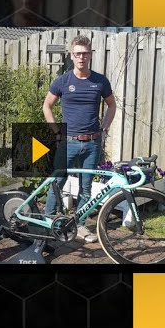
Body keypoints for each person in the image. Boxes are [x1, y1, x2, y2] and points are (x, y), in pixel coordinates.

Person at [42, 35, 117, 243]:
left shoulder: (100, 81)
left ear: (90, 55)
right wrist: (56, 131)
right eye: (77, 54)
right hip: (69, 142)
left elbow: (112, 105)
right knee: (57, 182)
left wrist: (104, 128)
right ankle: (49, 222)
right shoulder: (63, 81)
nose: (81, 57)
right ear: (72, 56)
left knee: (86, 188)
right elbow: (47, 105)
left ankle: (80, 224)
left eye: (85, 53)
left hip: (92, 143)